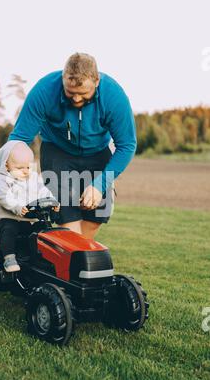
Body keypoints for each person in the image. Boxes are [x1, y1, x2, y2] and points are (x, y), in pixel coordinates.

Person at [8, 52, 137, 240]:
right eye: (70, 92)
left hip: (98, 152)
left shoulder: (114, 97)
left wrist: (100, 184)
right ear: (63, 79)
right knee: (67, 219)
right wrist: (7, 178)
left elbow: (127, 145)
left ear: (97, 81)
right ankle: (73, 265)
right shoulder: (44, 91)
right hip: (57, 151)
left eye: (83, 94)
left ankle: (71, 261)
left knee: (95, 217)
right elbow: (19, 139)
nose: (76, 99)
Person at [0, 140, 59, 272]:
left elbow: (43, 191)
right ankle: (9, 258)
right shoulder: (2, 180)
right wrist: (17, 207)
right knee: (9, 229)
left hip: (30, 220)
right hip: (10, 218)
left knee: (45, 230)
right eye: (20, 168)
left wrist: (52, 201)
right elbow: (3, 197)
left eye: (28, 167)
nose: (25, 171)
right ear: (6, 165)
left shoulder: (34, 178)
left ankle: (41, 258)